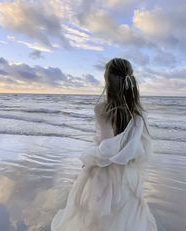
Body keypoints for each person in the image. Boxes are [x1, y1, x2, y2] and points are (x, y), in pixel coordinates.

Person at [51, 58, 158, 231]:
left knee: (98, 218)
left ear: (107, 81)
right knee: (126, 215)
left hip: (107, 173)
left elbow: (108, 147)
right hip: (128, 173)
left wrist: (90, 160)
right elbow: (138, 147)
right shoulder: (138, 112)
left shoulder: (102, 109)